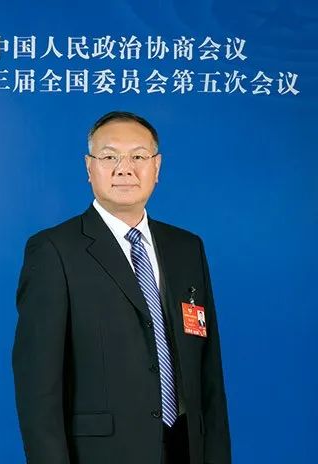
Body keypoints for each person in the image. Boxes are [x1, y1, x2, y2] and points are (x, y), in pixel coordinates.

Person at [12, 111, 231, 464]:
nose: (124, 169)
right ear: (89, 168)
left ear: (157, 167)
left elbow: (209, 373)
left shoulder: (187, 248)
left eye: (138, 157)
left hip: (186, 447)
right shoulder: (54, 250)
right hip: (101, 453)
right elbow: (37, 388)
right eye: (109, 157)